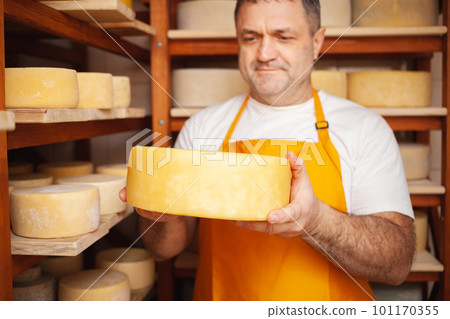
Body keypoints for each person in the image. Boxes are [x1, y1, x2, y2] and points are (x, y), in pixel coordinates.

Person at [120, 0, 415, 301]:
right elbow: (164, 250)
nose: (264, 54)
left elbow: (397, 263)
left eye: (283, 36)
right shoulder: (204, 128)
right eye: (251, 37)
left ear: (317, 42)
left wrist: (315, 221)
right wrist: (158, 216)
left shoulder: (364, 128)